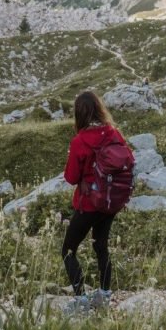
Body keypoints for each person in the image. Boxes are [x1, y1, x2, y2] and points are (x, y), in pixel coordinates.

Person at [61, 91, 128, 312]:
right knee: (101, 246)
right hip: (110, 202)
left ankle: (81, 300)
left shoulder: (80, 141)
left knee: (68, 250)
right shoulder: (113, 133)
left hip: (89, 204)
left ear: (79, 114)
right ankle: (105, 294)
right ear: (100, 109)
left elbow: (71, 177)